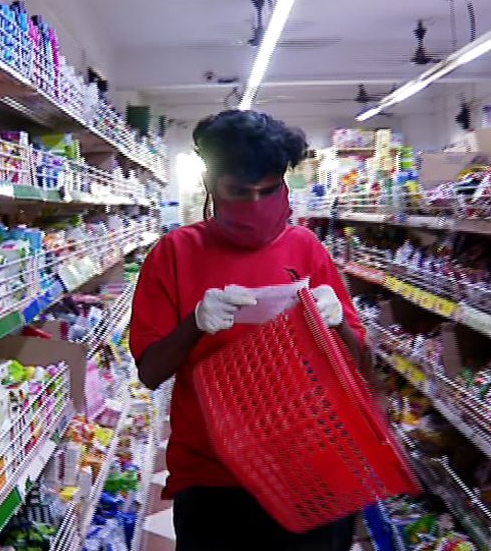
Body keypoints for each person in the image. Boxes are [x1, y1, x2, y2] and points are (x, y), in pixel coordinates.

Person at [129, 110, 367, 551]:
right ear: (211, 184)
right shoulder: (174, 254)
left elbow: (358, 366)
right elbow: (150, 371)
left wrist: (339, 327)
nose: (256, 205)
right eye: (239, 192)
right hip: (214, 477)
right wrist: (194, 325)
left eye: (269, 190)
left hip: (312, 466)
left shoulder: (306, 248)